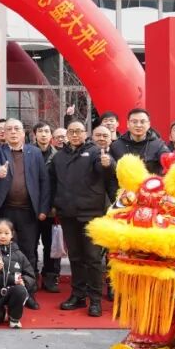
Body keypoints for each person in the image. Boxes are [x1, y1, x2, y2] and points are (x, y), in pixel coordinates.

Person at [49, 119, 113, 317]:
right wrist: (53, 205)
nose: (75, 135)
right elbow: (53, 183)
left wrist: (108, 163)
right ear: (66, 135)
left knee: (93, 259)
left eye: (79, 131)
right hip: (68, 214)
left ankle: (95, 300)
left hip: (92, 214)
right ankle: (78, 295)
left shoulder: (95, 152)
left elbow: (106, 169)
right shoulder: (59, 157)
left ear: (86, 134)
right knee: (75, 258)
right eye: (71, 132)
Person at [0, 118, 50, 310]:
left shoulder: (34, 152)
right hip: (5, 211)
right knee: (4, 253)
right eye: (9, 129)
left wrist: (43, 209)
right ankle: (5, 292)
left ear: (23, 133)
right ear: (3, 133)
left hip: (28, 211)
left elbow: (44, 181)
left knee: (29, 252)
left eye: (17, 129)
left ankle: (29, 293)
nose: (13, 132)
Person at [0, 218, 36, 328]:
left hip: (12, 291)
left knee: (20, 290)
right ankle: (2, 312)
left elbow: (30, 275)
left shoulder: (19, 254)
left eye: (6, 233)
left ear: (12, 234)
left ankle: (14, 317)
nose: (3, 236)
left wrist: (24, 281)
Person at [31, 120, 59, 293]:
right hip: (31, 207)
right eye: (40, 131)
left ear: (51, 135)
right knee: (30, 243)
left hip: (51, 208)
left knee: (51, 245)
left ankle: (50, 276)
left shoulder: (58, 156)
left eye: (46, 131)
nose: (43, 134)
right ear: (34, 135)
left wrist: (56, 204)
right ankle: (32, 275)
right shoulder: (28, 153)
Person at [109, 108, 168, 175]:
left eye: (142, 122)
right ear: (128, 124)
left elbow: (168, 165)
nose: (138, 125)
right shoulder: (116, 145)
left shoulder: (158, 145)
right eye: (134, 122)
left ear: (149, 124)